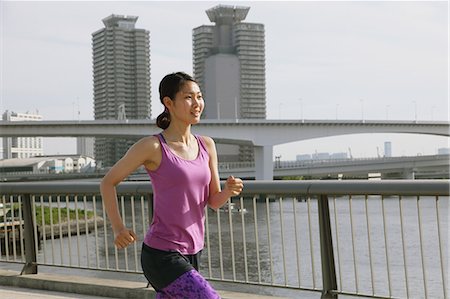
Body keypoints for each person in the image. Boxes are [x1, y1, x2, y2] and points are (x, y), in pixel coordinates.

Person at [100, 71, 244, 298]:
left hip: (195, 251)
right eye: (188, 97)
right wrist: (118, 227)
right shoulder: (153, 147)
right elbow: (108, 182)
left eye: (199, 96)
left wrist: (228, 191)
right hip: (162, 254)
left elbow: (213, 201)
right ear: (168, 103)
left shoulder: (207, 145)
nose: (197, 104)